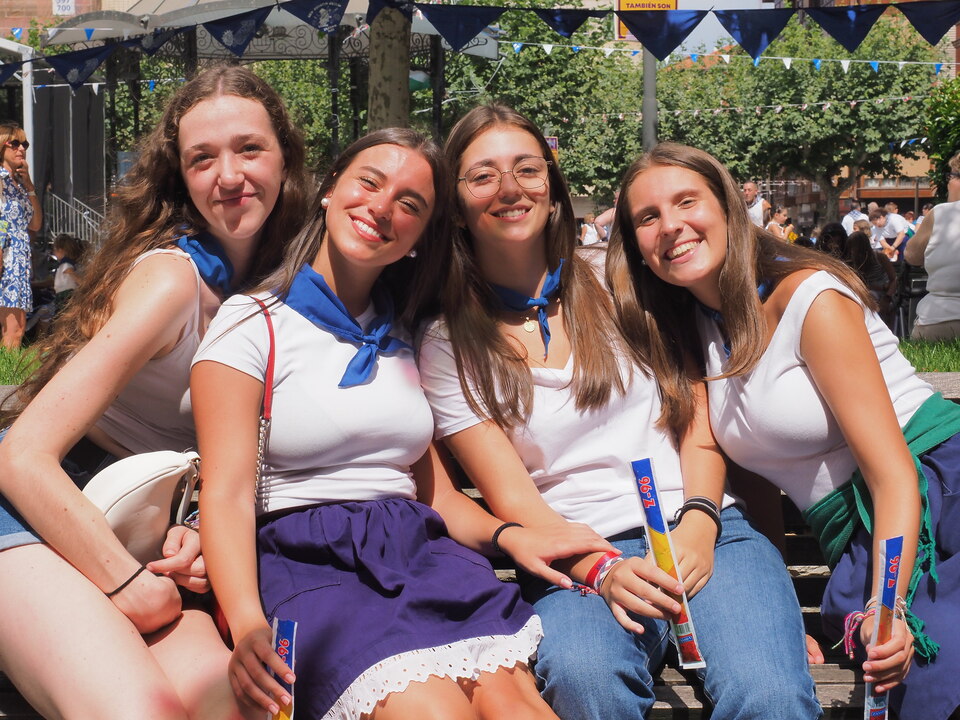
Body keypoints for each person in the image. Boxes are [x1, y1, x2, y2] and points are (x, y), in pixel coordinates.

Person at [417, 105, 820, 720]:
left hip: (702, 527)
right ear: (455, 205)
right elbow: (512, 497)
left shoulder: (618, 280)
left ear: (552, 186)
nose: (509, 188)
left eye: (527, 169)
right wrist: (602, 568)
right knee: (586, 682)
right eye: (482, 176)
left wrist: (701, 520)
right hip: (575, 556)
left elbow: (697, 410)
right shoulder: (447, 340)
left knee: (769, 694)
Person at [191, 127, 558, 720]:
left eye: (410, 203)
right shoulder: (252, 322)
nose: (383, 208)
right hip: (312, 564)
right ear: (330, 190)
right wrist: (248, 623)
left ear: (420, 236)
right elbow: (226, 492)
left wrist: (510, 537)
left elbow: (433, 492)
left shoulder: (406, 333)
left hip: (420, 557)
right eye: (369, 182)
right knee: (435, 715)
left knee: (524, 712)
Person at [609, 141, 960, 720]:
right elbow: (751, 475)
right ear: (637, 247)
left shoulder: (810, 298)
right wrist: (776, 615)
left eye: (687, 202)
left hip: (934, 494)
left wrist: (888, 604)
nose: (670, 226)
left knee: (933, 664)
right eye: (648, 217)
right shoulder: (695, 328)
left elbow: (894, 475)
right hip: (858, 537)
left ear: (728, 207)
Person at [0, 65, 310, 720]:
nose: (229, 175)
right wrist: (127, 583)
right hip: (39, 510)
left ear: (286, 156)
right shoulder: (173, 282)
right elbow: (21, 458)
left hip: (148, 523)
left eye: (249, 148)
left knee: (236, 709)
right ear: (181, 177)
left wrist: (194, 529)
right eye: (203, 158)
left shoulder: (292, 284)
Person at [904, 155, 960, 340]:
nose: (949, 182)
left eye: (951, 176)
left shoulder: (941, 213)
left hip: (940, 321)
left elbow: (911, 255)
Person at [0, 122, 43, 349]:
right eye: (14, 143)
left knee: (17, 329)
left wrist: (29, 185)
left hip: (19, 260)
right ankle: (7, 370)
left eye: (24, 144)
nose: (21, 149)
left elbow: (35, 224)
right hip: (6, 258)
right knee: (12, 329)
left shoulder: (18, 185)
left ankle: (8, 368)